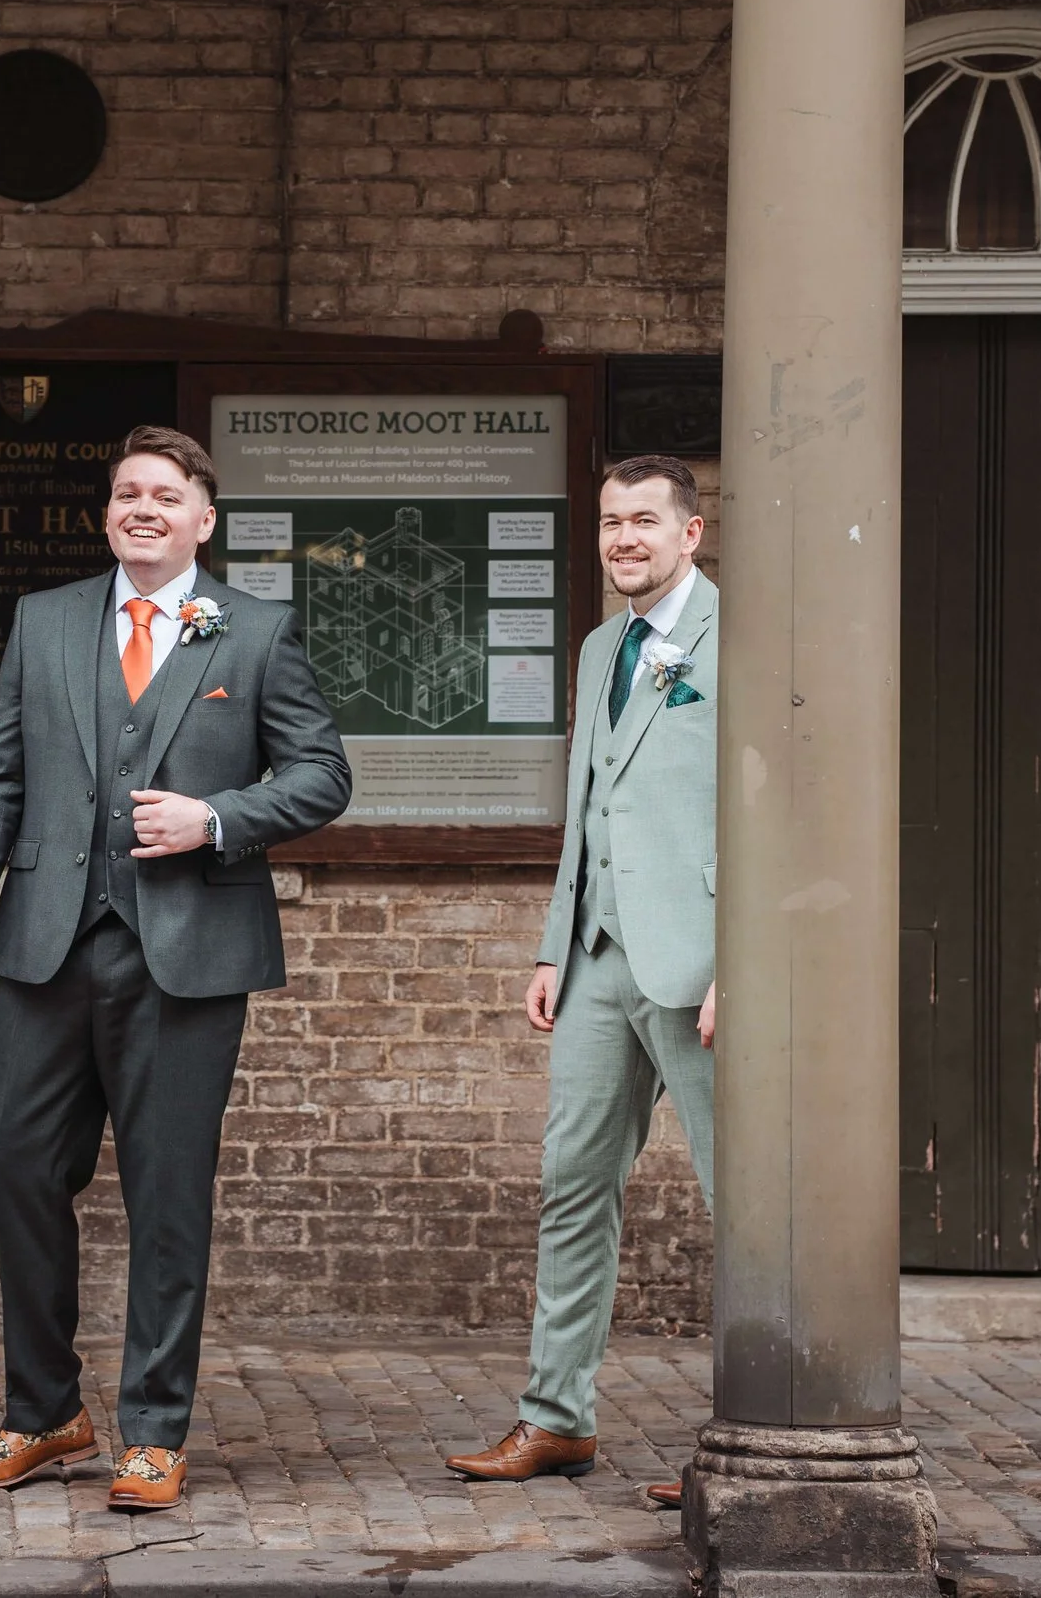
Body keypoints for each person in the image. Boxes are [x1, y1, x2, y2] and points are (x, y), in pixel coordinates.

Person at [0, 425, 350, 1511]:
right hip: (48, 940)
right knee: (19, 1165)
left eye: (165, 493)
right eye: (126, 493)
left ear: (204, 518)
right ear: (107, 513)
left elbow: (321, 774)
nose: (143, 508)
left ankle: (153, 1430)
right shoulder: (47, 619)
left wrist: (217, 816)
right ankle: (44, 1409)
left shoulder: (254, 630)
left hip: (188, 954)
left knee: (167, 1195)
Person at [446, 454, 717, 1506]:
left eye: (644, 521)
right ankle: (555, 1416)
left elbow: (765, 807)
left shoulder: (737, 636)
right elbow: (588, 804)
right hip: (601, 960)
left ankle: (749, 1430)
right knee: (572, 1185)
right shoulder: (603, 643)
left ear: (690, 533)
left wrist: (742, 964)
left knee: (737, 1196)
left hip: (696, 964)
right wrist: (555, 943)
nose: (624, 539)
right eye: (611, 523)